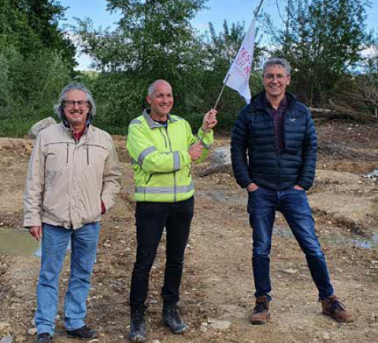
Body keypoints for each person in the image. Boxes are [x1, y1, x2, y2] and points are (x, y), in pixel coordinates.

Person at [230, 58, 353, 325]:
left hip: (293, 191)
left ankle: (328, 300)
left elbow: (311, 148)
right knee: (261, 249)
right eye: (269, 76)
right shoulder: (249, 112)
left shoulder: (300, 112)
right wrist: (248, 183)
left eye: (279, 76)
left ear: (288, 79)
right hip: (261, 190)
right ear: (262, 79)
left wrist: (303, 183)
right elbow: (237, 148)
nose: (274, 80)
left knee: (312, 247)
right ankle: (262, 301)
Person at [23, 82, 121, 342]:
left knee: (82, 273)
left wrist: (102, 204)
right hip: (54, 220)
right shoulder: (47, 137)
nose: (76, 107)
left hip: (89, 221)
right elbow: (35, 180)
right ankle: (44, 327)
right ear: (62, 108)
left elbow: (113, 178)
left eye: (81, 103)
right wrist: (32, 217)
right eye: (70, 103)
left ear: (89, 108)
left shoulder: (103, 139)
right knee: (48, 275)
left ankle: (75, 321)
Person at [126, 80, 218, 342]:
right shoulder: (137, 127)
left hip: (183, 203)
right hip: (151, 205)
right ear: (149, 100)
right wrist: (186, 155)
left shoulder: (181, 124)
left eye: (168, 96)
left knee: (176, 259)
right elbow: (151, 161)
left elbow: (198, 150)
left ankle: (170, 309)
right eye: (159, 96)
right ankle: (137, 315)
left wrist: (205, 129)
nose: (165, 100)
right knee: (144, 261)